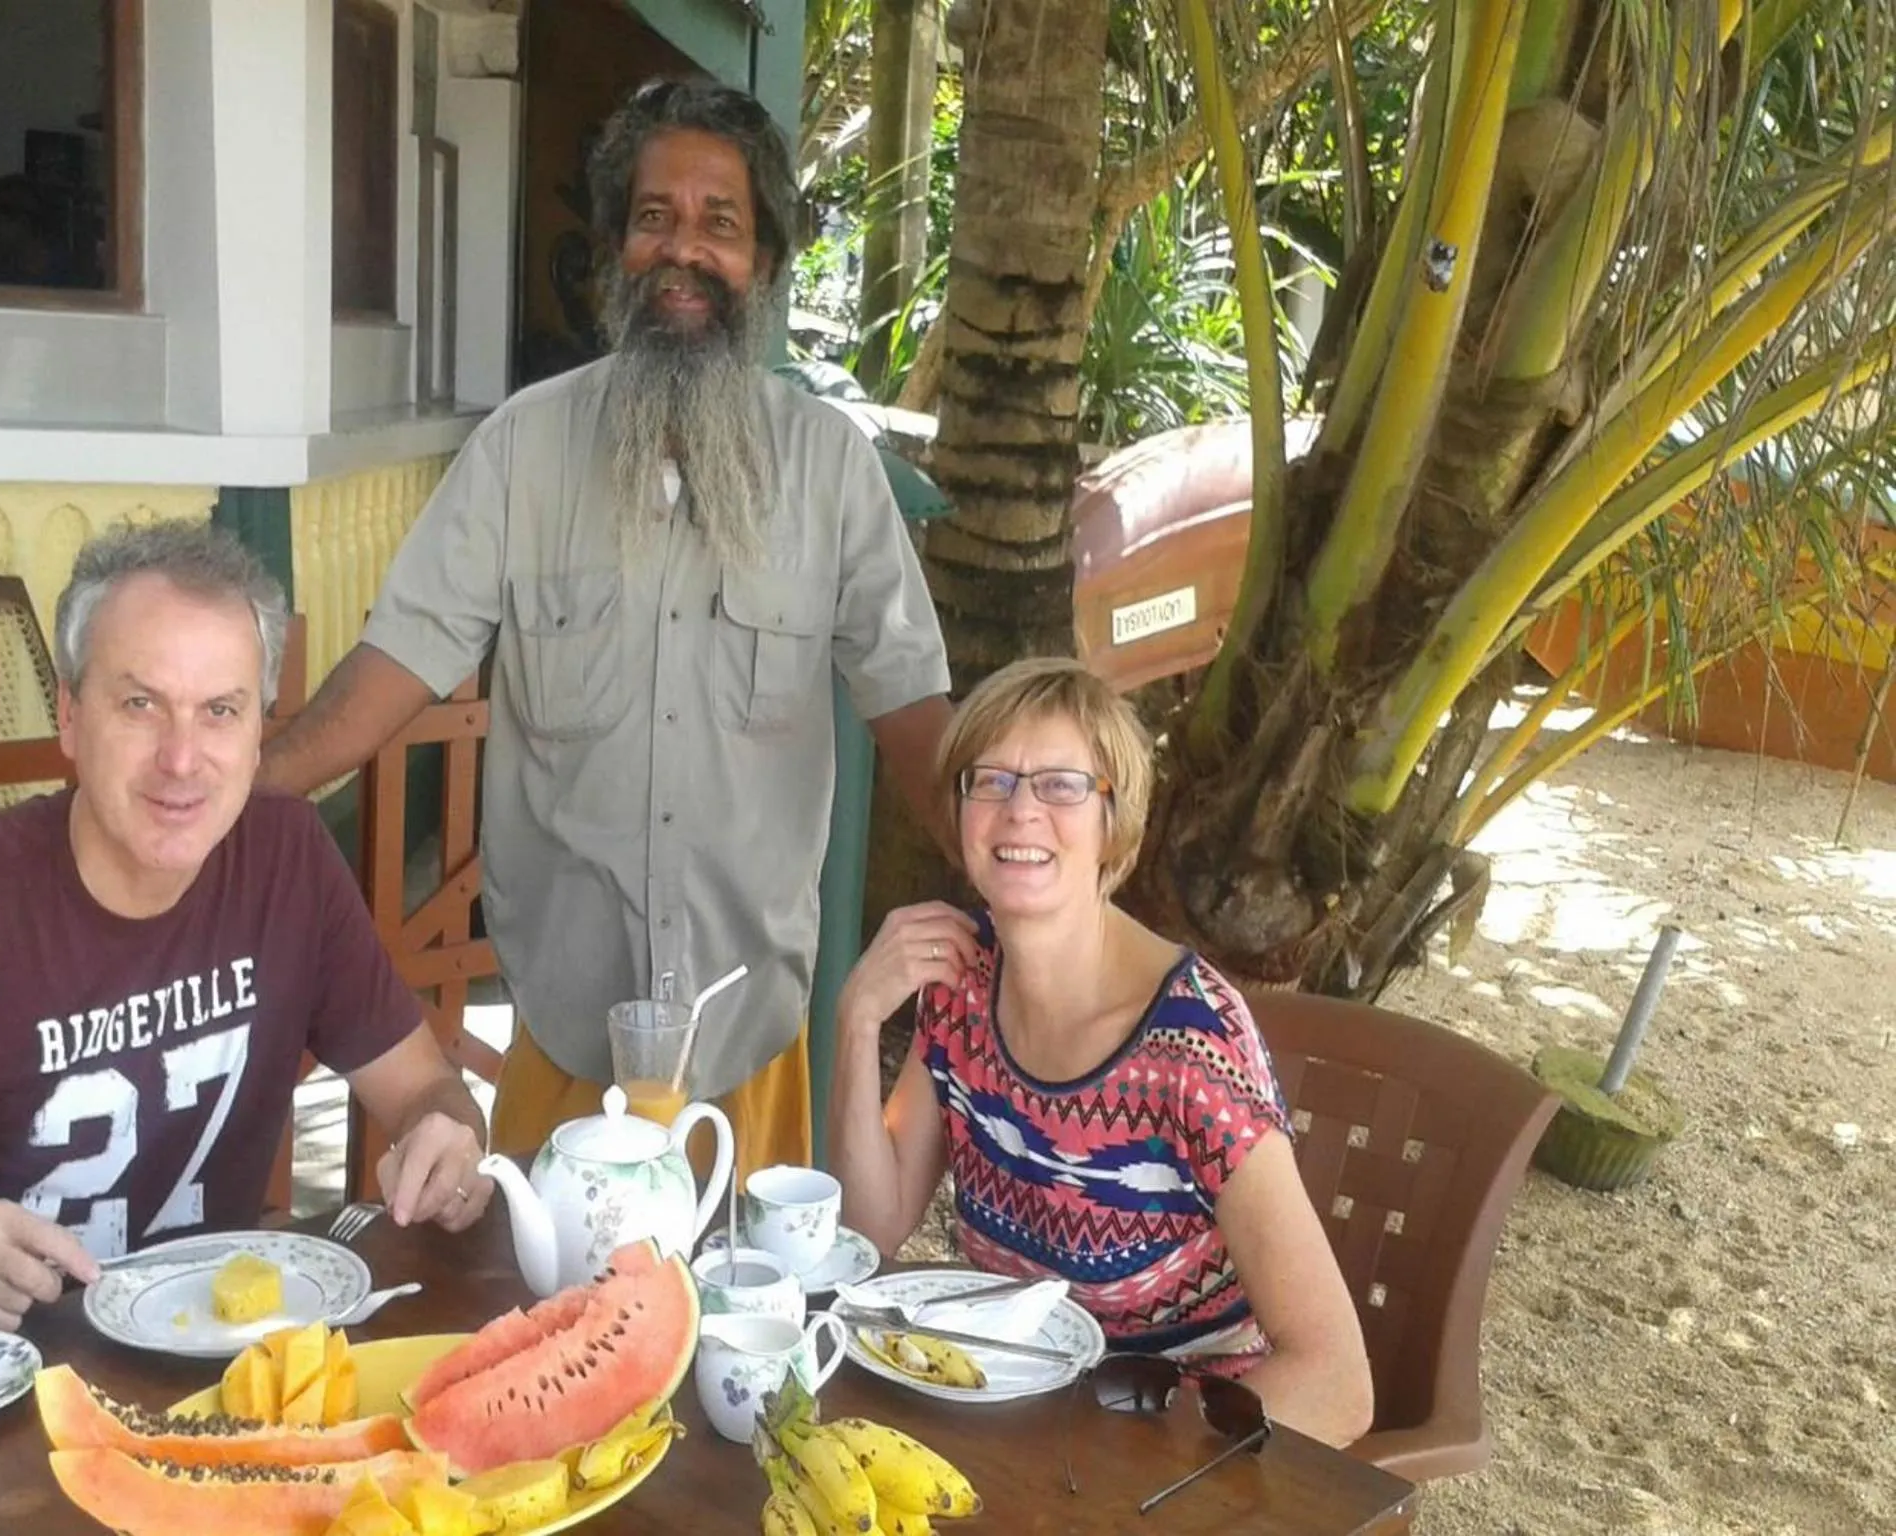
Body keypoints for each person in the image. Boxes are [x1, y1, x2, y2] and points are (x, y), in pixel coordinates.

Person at [258, 77, 952, 1175]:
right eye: (652, 219)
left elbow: (914, 713)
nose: (683, 251)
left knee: (738, 1334)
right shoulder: (520, 452)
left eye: (718, 223)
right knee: (547, 1331)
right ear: (615, 250)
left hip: (749, 1044)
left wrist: (1032, 879)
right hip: (568, 1032)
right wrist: (221, 799)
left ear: (763, 261)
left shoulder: (829, 470)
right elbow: (394, 667)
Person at [0, 523, 493, 1337]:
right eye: (141, 704)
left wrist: (444, 1141)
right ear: (69, 718)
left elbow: (425, 1090)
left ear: (257, 728)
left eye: (220, 712)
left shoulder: (287, 859)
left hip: (210, 1369)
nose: (181, 757)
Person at [827, 658, 1373, 1446]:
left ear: (1113, 822)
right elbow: (871, 1227)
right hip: (1012, 1409)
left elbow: (1334, 1381)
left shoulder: (1190, 1046)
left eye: (1061, 785)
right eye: (991, 781)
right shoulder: (960, 981)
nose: (1020, 812)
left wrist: (1129, 1487)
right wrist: (856, 1022)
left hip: (1171, 1453)